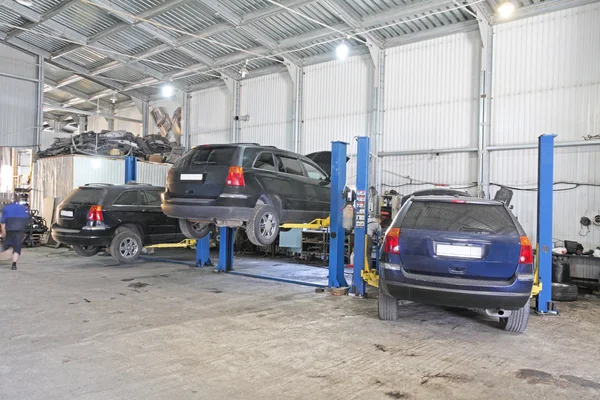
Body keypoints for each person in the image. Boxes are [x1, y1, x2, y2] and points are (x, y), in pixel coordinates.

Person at [1, 195, 29, 270]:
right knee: (17, 246)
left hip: (10, 227)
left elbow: (3, 221)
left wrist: (3, 231)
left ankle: (6, 251)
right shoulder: (23, 208)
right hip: (20, 228)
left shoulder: (6, 208)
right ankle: (14, 264)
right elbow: (27, 219)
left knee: (6, 243)